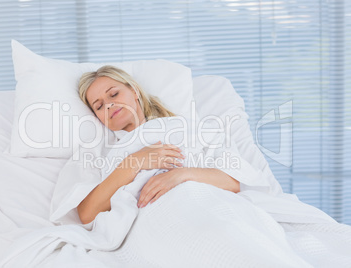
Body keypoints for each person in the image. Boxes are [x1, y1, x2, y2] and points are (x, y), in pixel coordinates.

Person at [77, 65, 240, 225]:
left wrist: (181, 175)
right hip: (151, 221)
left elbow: (234, 181)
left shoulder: (188, 128)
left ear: (134, 91)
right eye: (99, 106)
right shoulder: (97, 151)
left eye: (113, 94)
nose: (108, 105)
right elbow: (87, 214)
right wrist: (134, 162)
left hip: (208, 207)